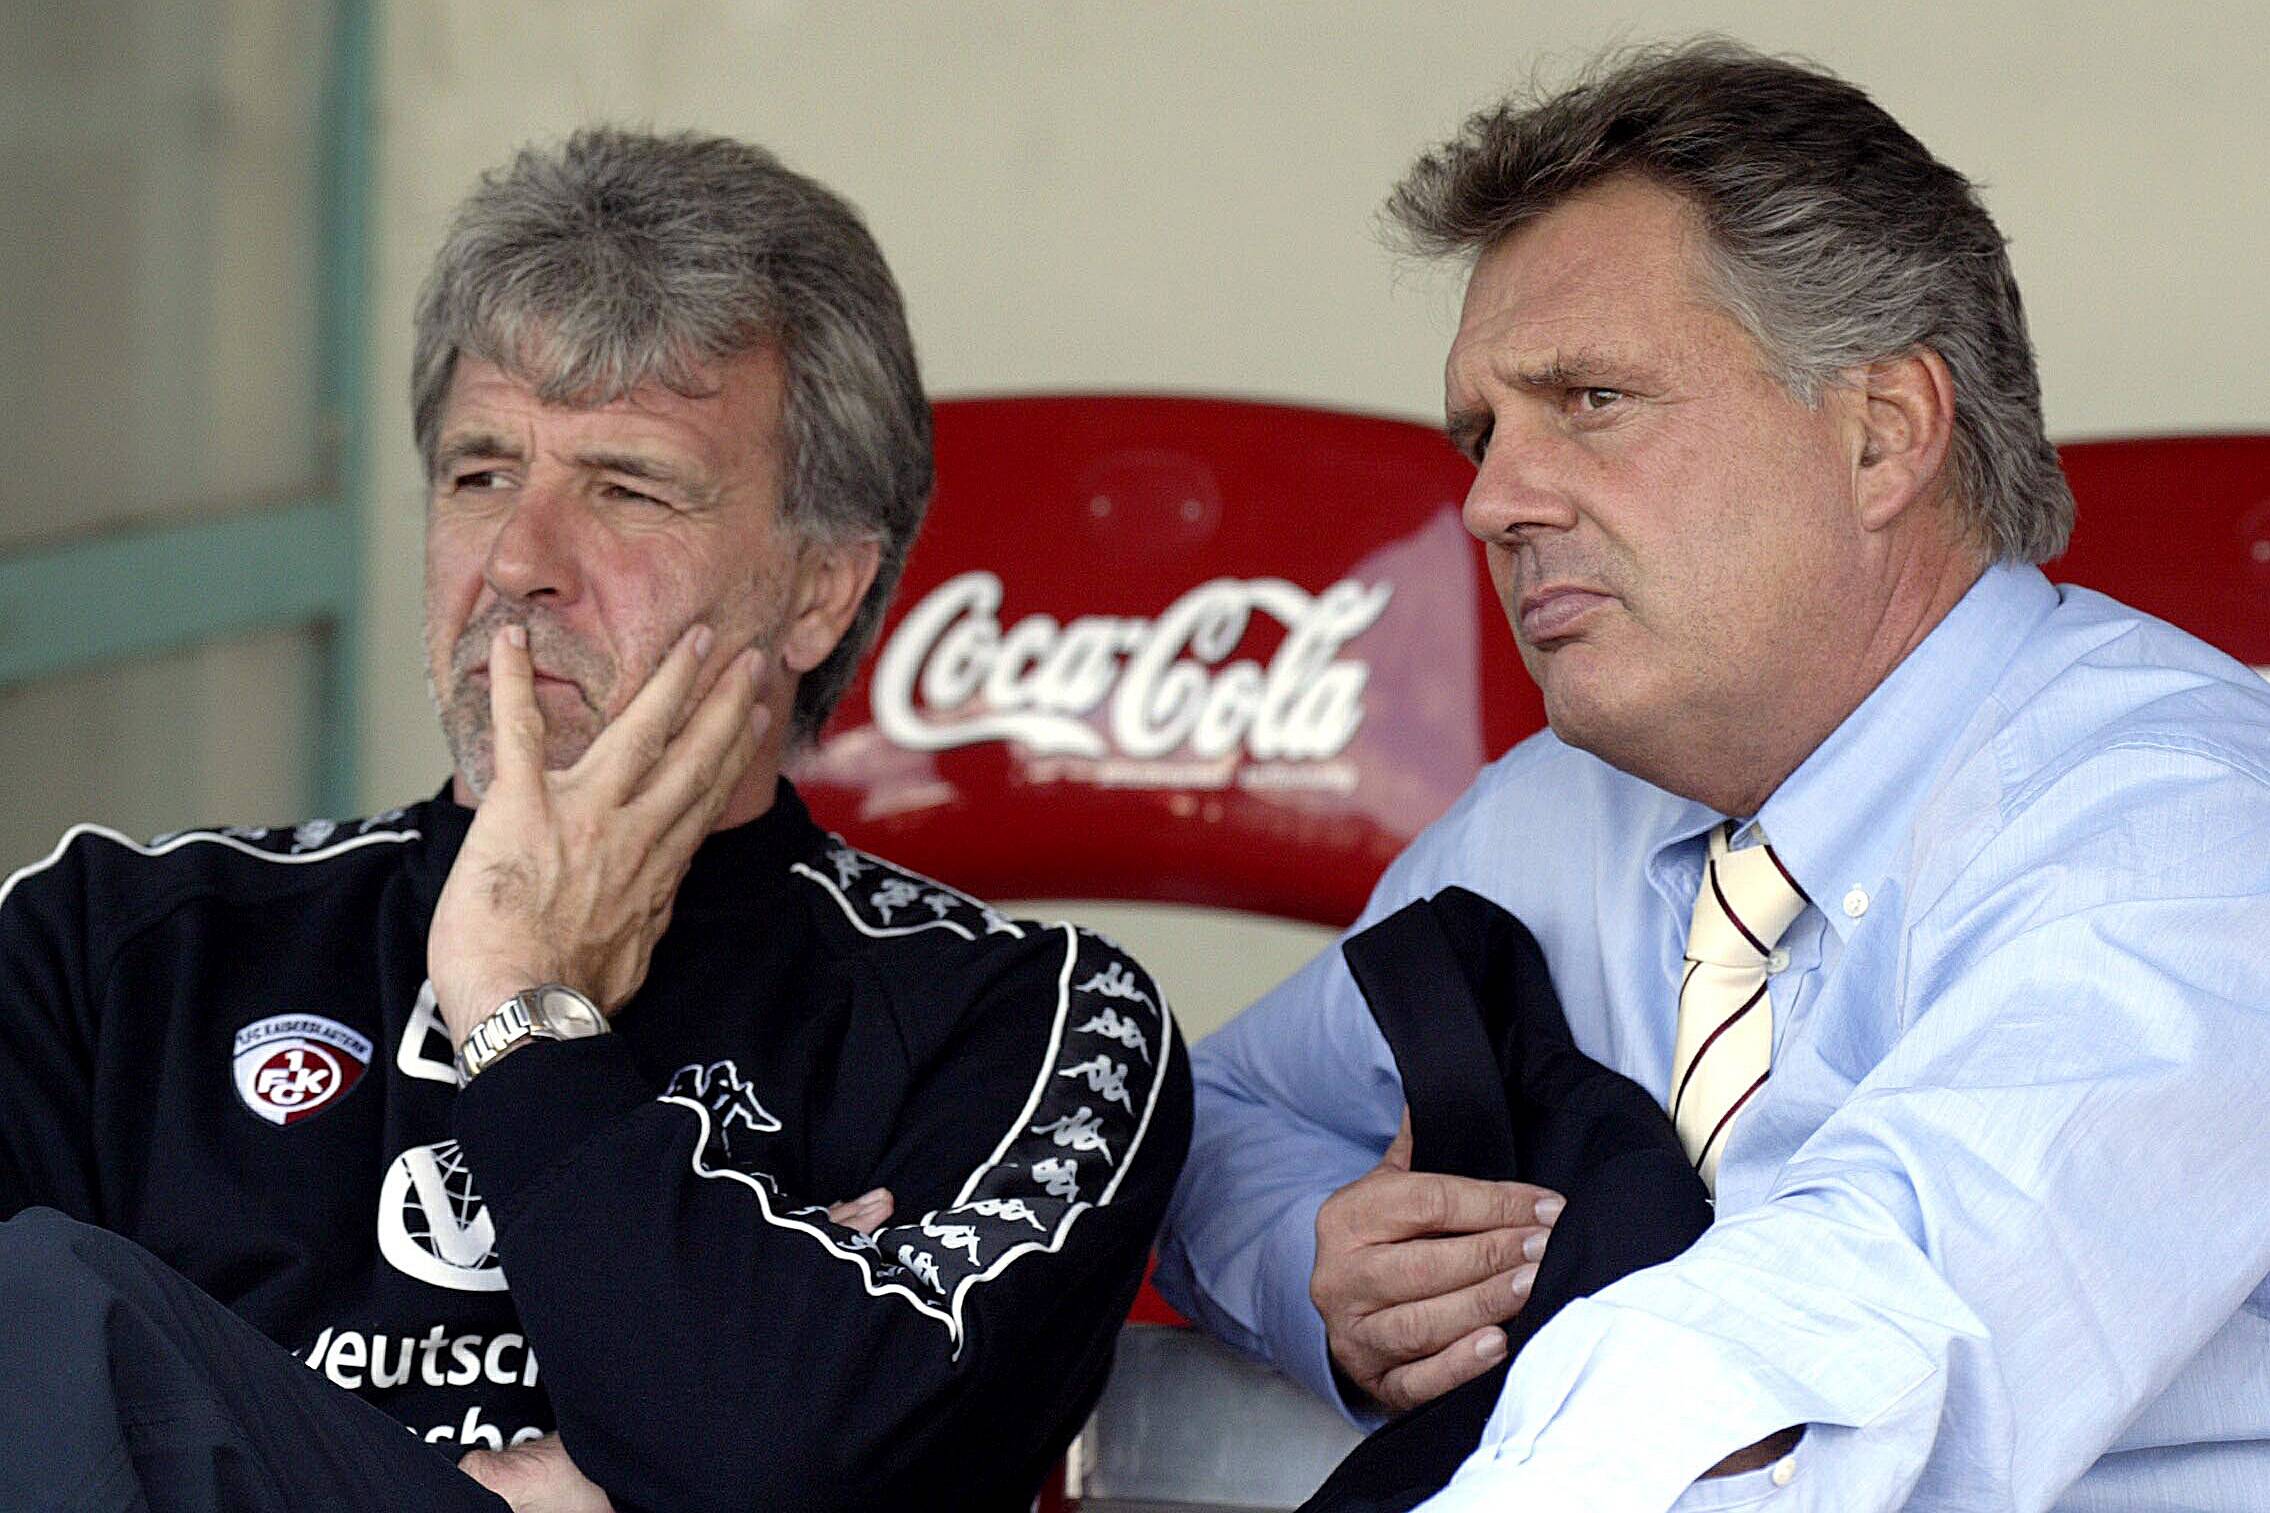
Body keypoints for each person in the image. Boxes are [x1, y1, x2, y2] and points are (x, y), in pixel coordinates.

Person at [0, 127, 1190, 1513]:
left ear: (817, 588)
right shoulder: (112, 945)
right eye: (480, 472)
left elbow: (801, 1468)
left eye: (624, 487)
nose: (517, 561)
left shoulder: (1032, 1021)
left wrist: (520, 999)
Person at [1153, 39, 2270, 1511]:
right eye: (1481, 431)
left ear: (1881, 435)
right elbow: (1205, 1115)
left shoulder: (2185, 828)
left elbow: (1839, 1338)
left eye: (1592, 400)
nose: (1492, 500)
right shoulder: (1555, 810)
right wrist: (1318, 1259)